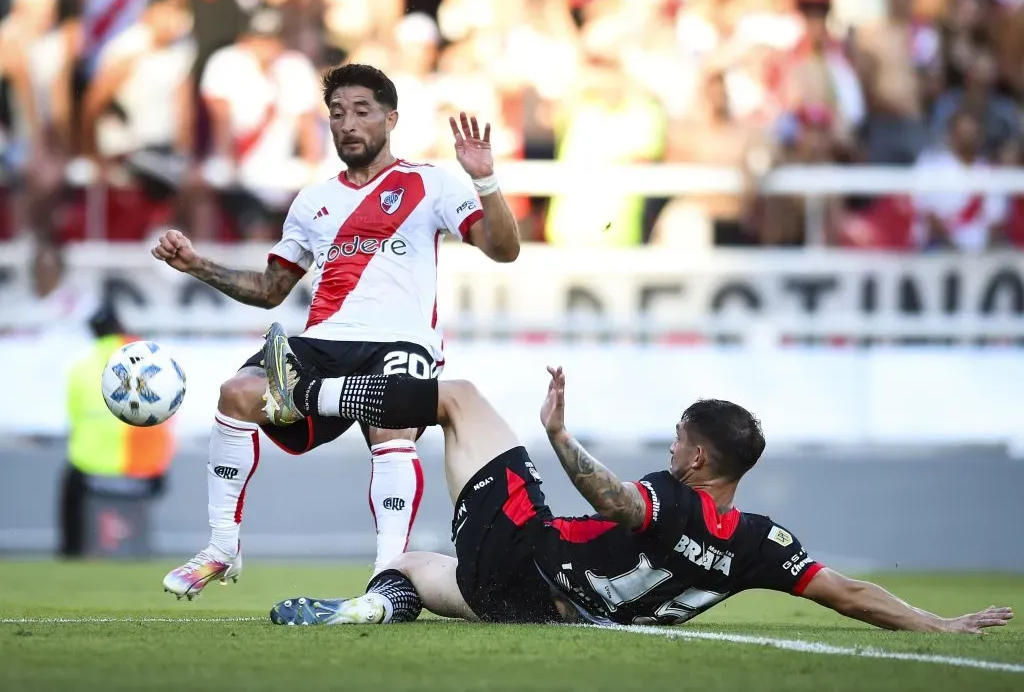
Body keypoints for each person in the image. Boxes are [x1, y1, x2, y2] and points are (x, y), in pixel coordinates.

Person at [261, 323, 1014, 632]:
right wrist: (941, 624)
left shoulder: (670, 500)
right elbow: (849, 593)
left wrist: (558, 435)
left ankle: (304, 396)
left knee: (460, 398)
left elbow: (615, 499)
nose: (671, 443)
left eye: (678, 437)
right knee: (411, 565)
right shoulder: (759, 542)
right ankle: (372, 607)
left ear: (696, 459)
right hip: (546, 615)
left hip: (528, 558)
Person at [153, 63, 521, 599]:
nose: (346, 123)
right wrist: (196, 265)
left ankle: (388, 577)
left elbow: (504, 249)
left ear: (391, 119)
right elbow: (271, 288)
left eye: (361, 111)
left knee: (391, 430)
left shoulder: (430, 182)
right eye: (336, 113)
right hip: (323, 343)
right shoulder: (312, 202)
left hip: (400, 342)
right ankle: (222, 548)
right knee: (236, 394)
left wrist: (484, 180)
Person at [61, 302, 174, 557]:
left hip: (93, 470)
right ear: (121, 326)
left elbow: (73, 417)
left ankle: (71, 552)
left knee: (69, 488)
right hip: (146, 470)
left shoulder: (82, 366)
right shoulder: (153, 358)